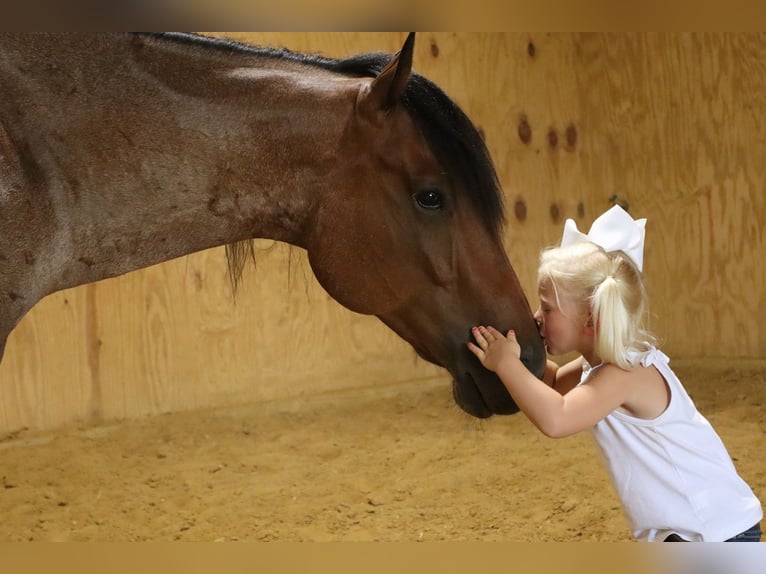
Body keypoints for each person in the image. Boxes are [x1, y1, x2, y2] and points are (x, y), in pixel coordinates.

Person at [468, 205, 762, 542]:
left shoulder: (625, 373)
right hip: (693, 534)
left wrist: (506, 364)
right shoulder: (600, 367)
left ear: (591, 318)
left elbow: (557, 418)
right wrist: (513, 353)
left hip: (714, 534)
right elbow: (549, 384)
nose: (537, 316)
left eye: (547, 308)